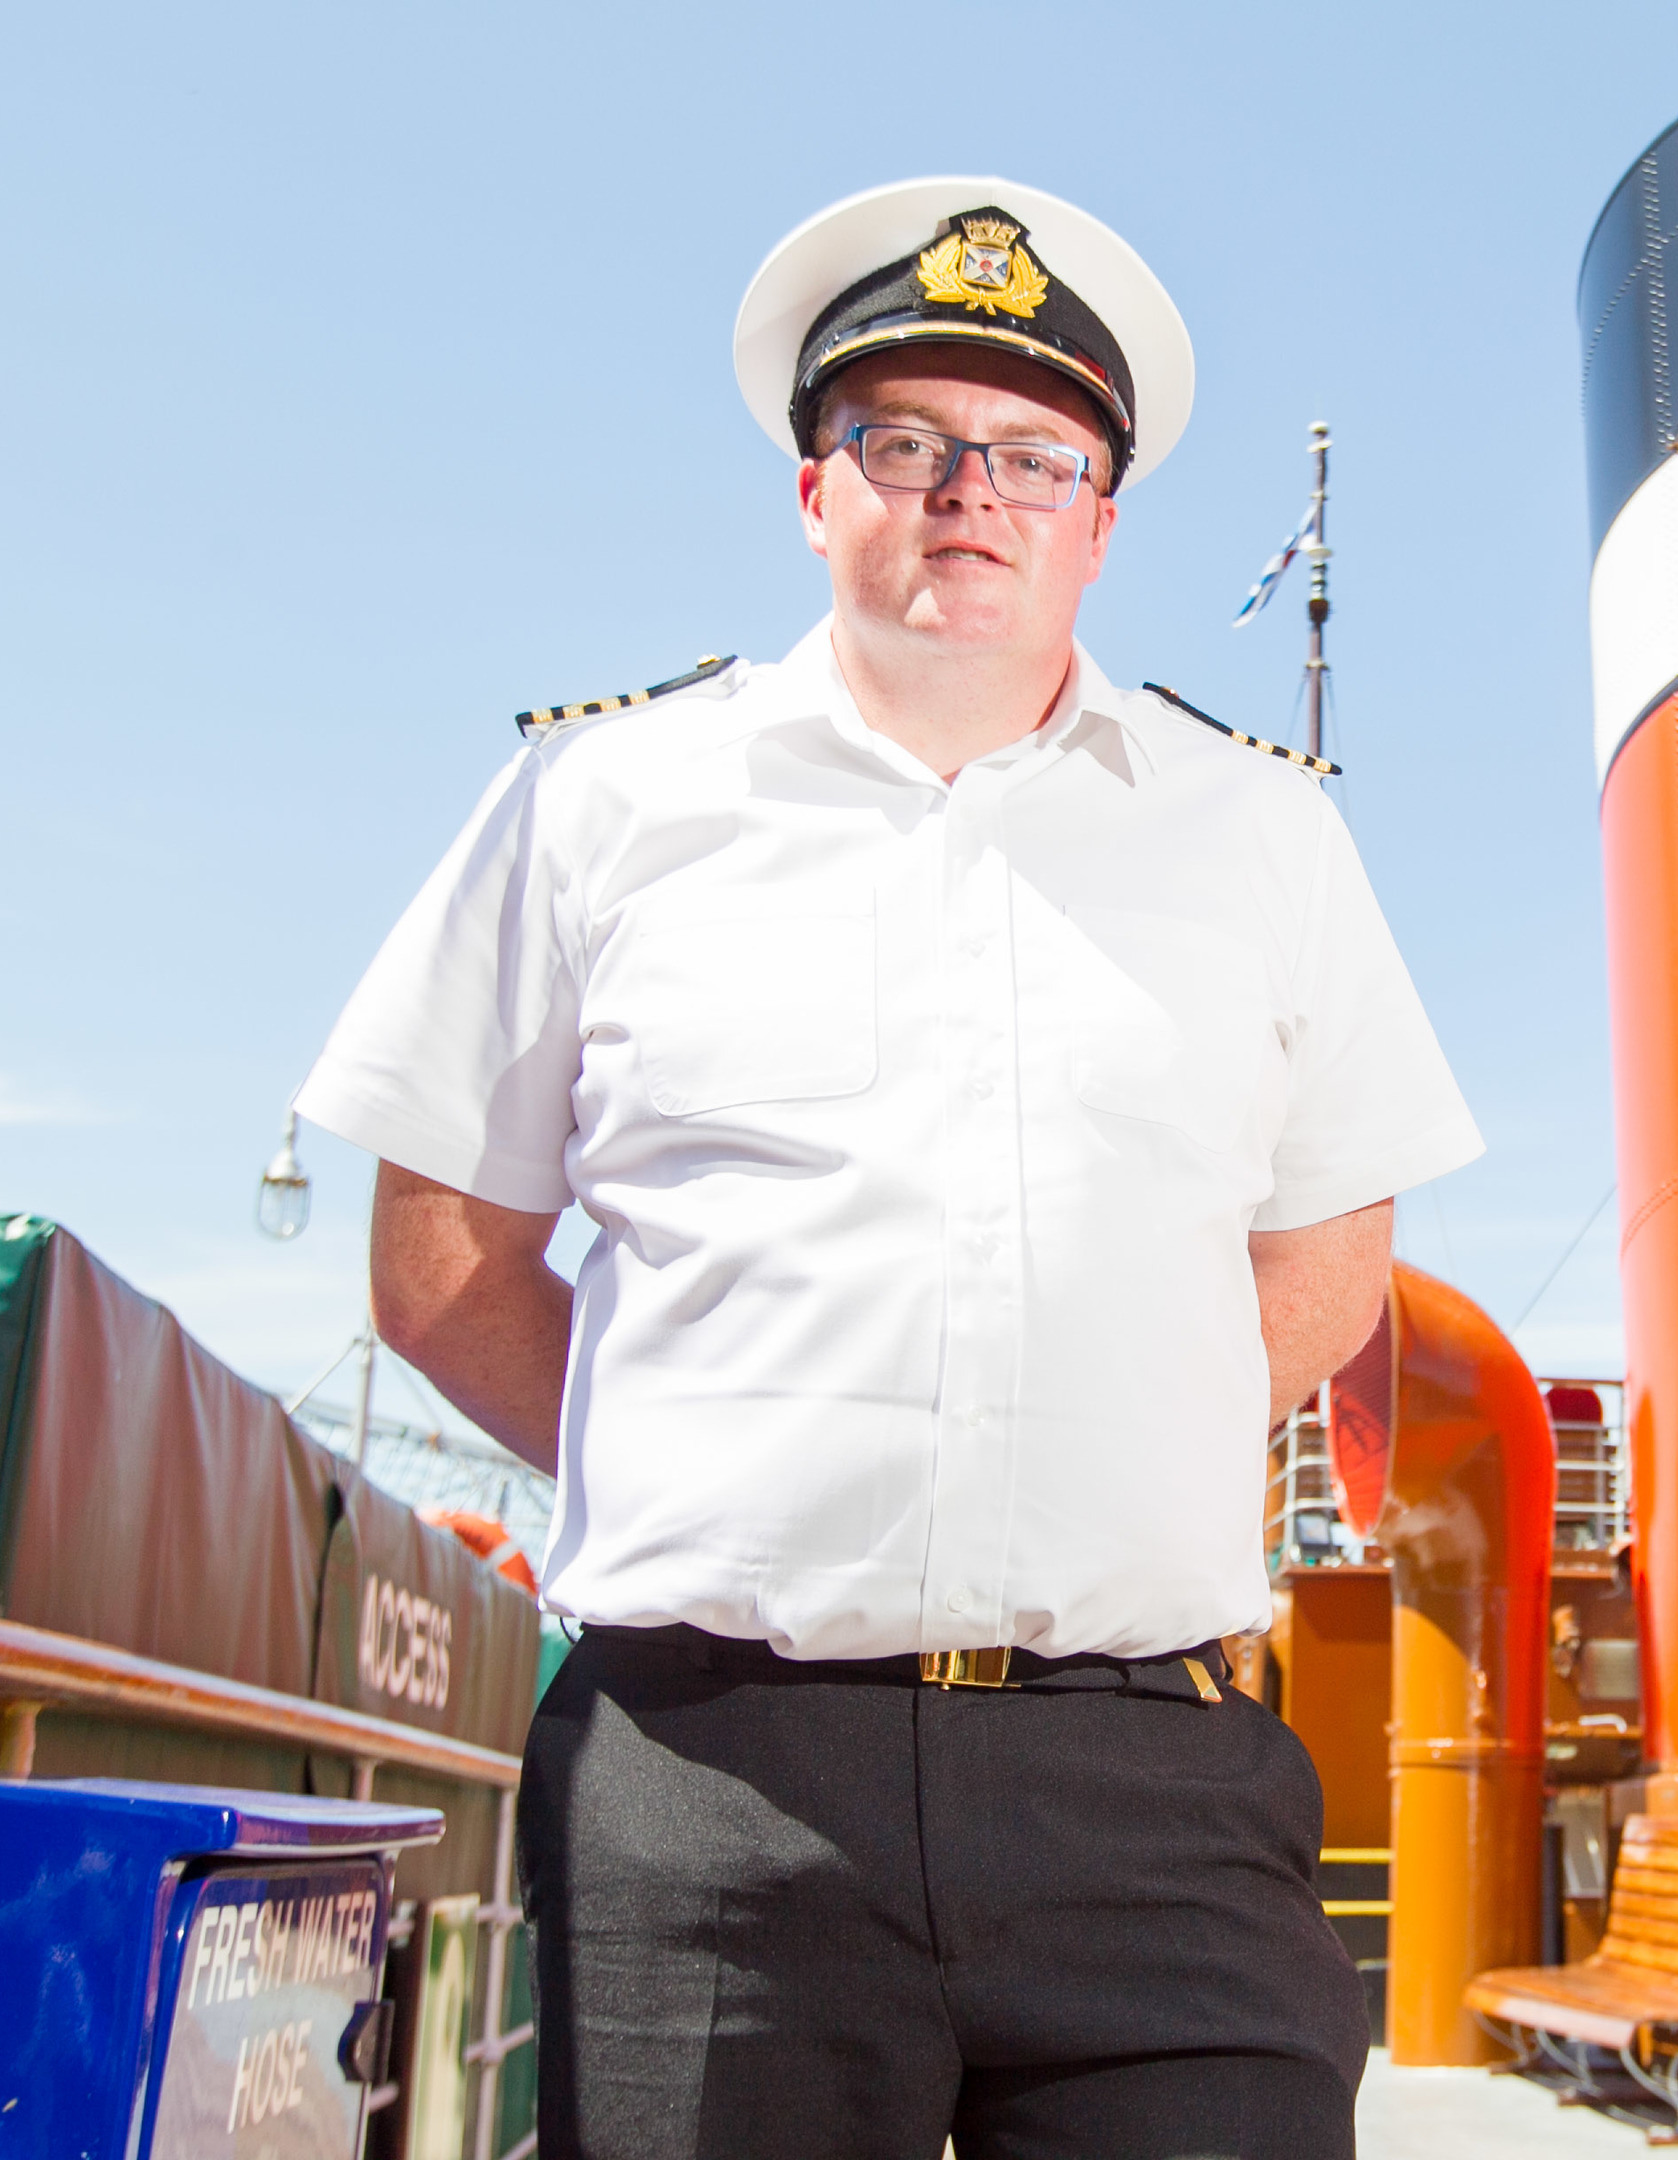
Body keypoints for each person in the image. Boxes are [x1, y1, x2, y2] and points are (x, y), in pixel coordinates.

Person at [293, 177, 1481, 2159]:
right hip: (715, 1782)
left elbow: (1325, 1273)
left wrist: (1081, 1439)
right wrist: (732, 1459)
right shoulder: (599, 803)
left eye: (1032, 455)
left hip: (1155, 1792)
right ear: (812, 491)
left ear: (1100, 522)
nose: (967, 493)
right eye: (903, 441)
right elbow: (442, 1269)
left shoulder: (1267, 839)